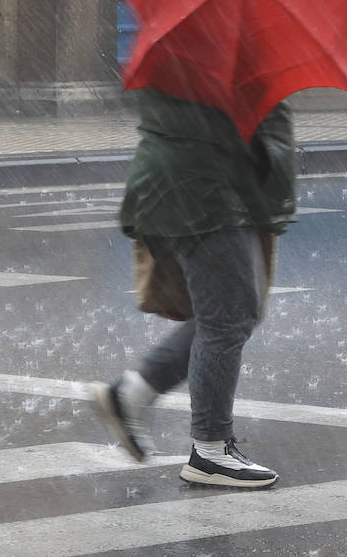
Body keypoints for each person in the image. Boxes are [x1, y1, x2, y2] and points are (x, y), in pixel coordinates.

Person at [91, 88, 297, 489]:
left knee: (231, 313)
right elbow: (241, 127)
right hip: (209, 190)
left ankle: (133, 392)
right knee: (227, 319)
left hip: (193, 183)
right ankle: (211, 450)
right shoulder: (222, 51)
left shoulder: (189, 49)